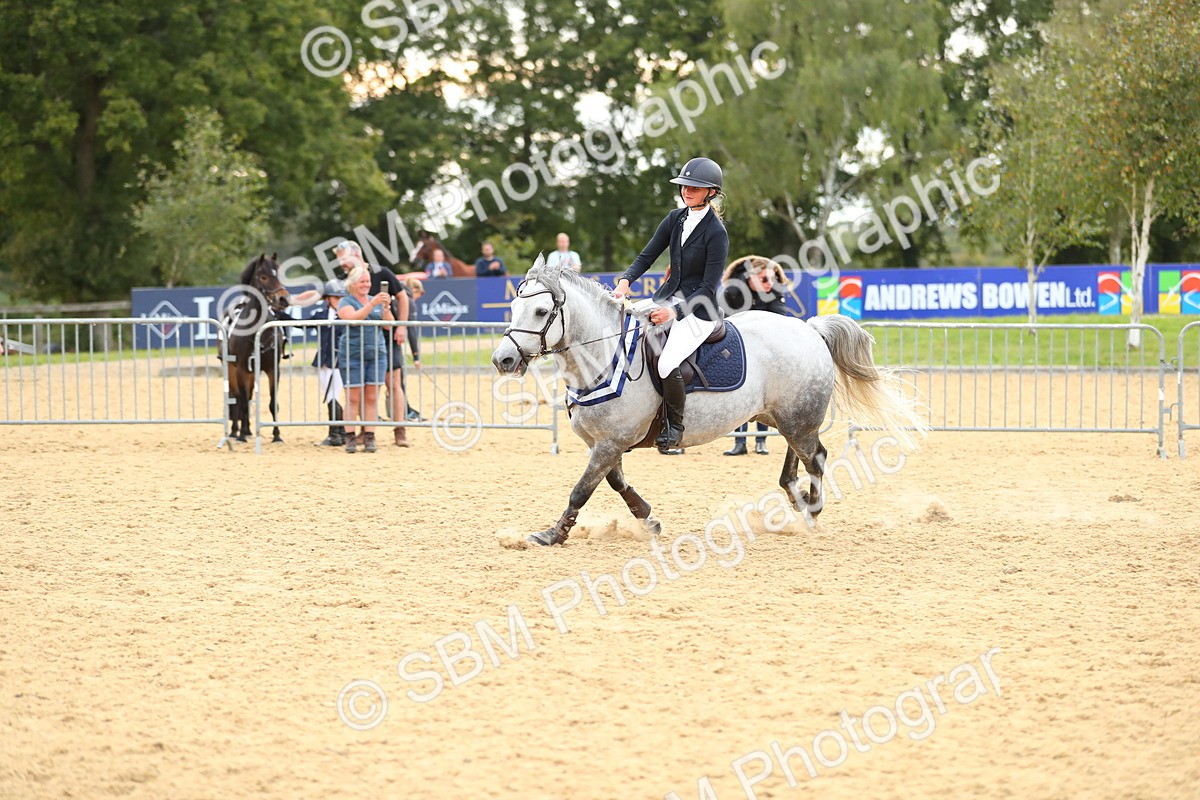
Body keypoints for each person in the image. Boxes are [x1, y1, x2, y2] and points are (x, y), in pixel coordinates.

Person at [613, 157, 729, 454]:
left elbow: (707, 287)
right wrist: (626, 281)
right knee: (623, 330)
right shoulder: (675, 219)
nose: (687, 191)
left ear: (711, 192)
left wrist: (674, 313)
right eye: (684, 186)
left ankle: (674, 427)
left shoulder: (716, 233)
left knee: (666, 362)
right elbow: (647, 255)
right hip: (667, 296)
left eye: (695, 187)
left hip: (698, 311)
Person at [335, 240, 409, 446]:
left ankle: (399, 429)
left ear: (356, 254)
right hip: (359, 340)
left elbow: (403, 298)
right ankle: (361, 432)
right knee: (358, 391)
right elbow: (348, 313)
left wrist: (401, 326)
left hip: (384, 339)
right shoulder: (346, 282)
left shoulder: (381, 272)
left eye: (343, 258)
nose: (341, 264)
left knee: (392, 384)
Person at [720, 257, 793, 455]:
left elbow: (778, 320)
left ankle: (761, 441)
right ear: (751, 277)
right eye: (764, 279)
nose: (770, 284)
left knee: (766, 395)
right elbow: (724, 321)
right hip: (738, 350)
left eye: (772, 279)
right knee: (740, 395)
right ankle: (739, 442)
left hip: (764, 352)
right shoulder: (733, 291)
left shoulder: (774, 290)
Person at [337, 266, 393, 453]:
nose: (366, 285)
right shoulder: (346, 301)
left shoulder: (374, 300)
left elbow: (388, 325)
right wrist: (372, 304)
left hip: (376, 354)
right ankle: (350, 437)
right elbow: (352, 318)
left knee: (371, 398)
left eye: (368, 281)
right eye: (362, 281)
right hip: (352, 355)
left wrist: (385, 308)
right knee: (352, 398)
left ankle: (370, 436)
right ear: (352, 284)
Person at [311, 280, 348, 447]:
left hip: (339, 361)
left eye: (341, 297)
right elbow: (303, 323)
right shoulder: (321, 314)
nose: (339, 300)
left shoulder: (346, 314)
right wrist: (281, 315)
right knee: (329, 396)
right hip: (324, 360)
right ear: (327, 299)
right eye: (335, 297)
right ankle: (337, 433)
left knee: (334, 394)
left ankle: (337, 433)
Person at [401, 277, 425, 422]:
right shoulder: (408, 301)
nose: (418, 297)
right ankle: (405, 410)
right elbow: (412, 331)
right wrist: (416, 356)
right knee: (396, 381)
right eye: (419, 293)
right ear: (414, 289)